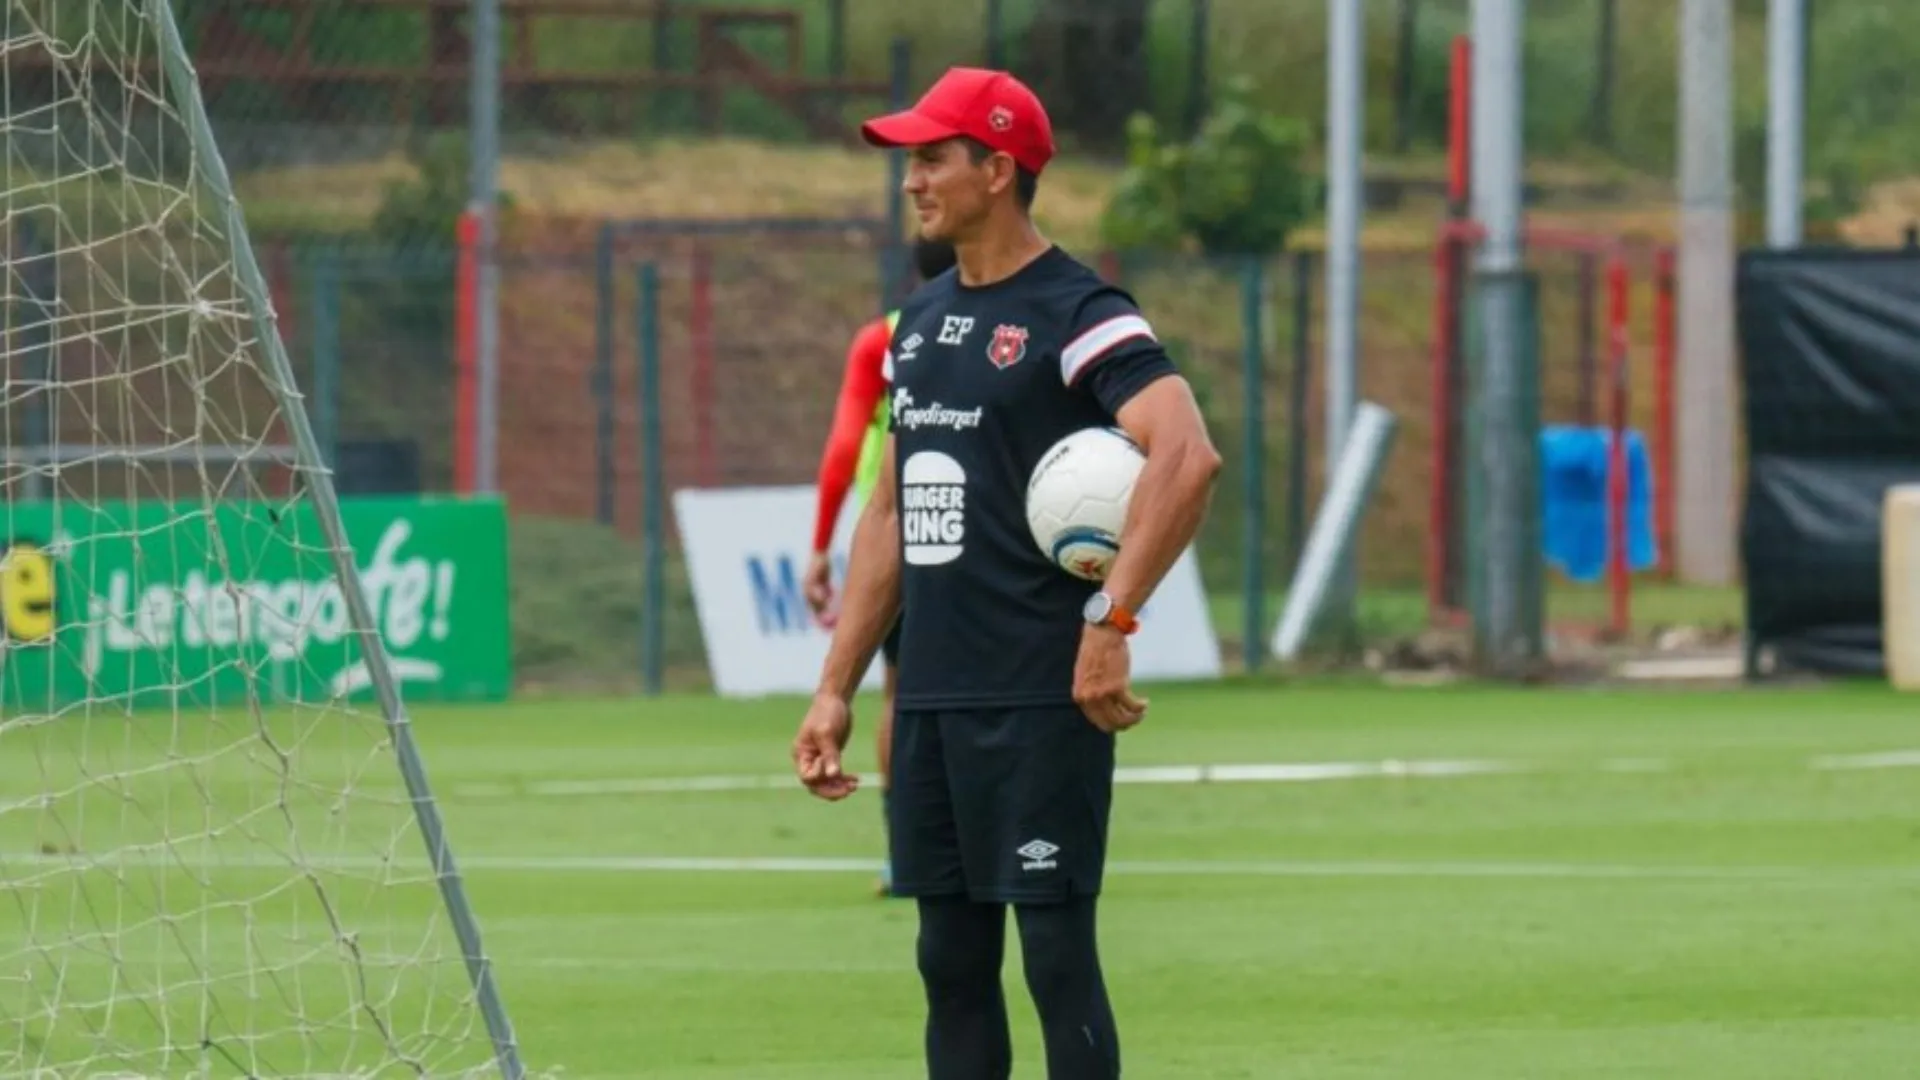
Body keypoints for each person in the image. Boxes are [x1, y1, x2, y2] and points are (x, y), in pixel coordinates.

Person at [790, 67, 1221, 1079]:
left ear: (997, 168)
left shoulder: (1082, 311)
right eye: (909, 162)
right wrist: (834, 686)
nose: (912, 181)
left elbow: (1186, 453)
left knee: (1057, 962)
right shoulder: (920, 328)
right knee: (948, 962)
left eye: (932, 159)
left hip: (1041, 696)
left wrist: (1111, 623)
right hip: (934, 696)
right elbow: (891, 512)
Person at [803, 235, 958, 898]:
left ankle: (909, 855)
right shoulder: (1024, 321)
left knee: (903, 695)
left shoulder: (889, 337)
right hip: (992, 539)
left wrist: (819, 544)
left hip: (907, 532)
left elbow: (844, 445)